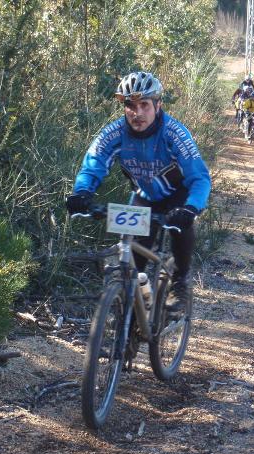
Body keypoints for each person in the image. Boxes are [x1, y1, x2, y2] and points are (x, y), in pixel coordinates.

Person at [66, 71, 211, 312]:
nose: (137, 113)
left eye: (144, 105)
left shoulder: (175, 133)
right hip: (144, 197)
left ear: (158, 105)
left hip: (179, 197)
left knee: (182, 230)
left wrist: (191, 207)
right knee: (133, 264)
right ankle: (132, 316)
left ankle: (180, 282)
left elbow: (200, 177)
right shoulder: (114, 133)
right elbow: (94, 164)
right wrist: (82, 193)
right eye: (130, 106)